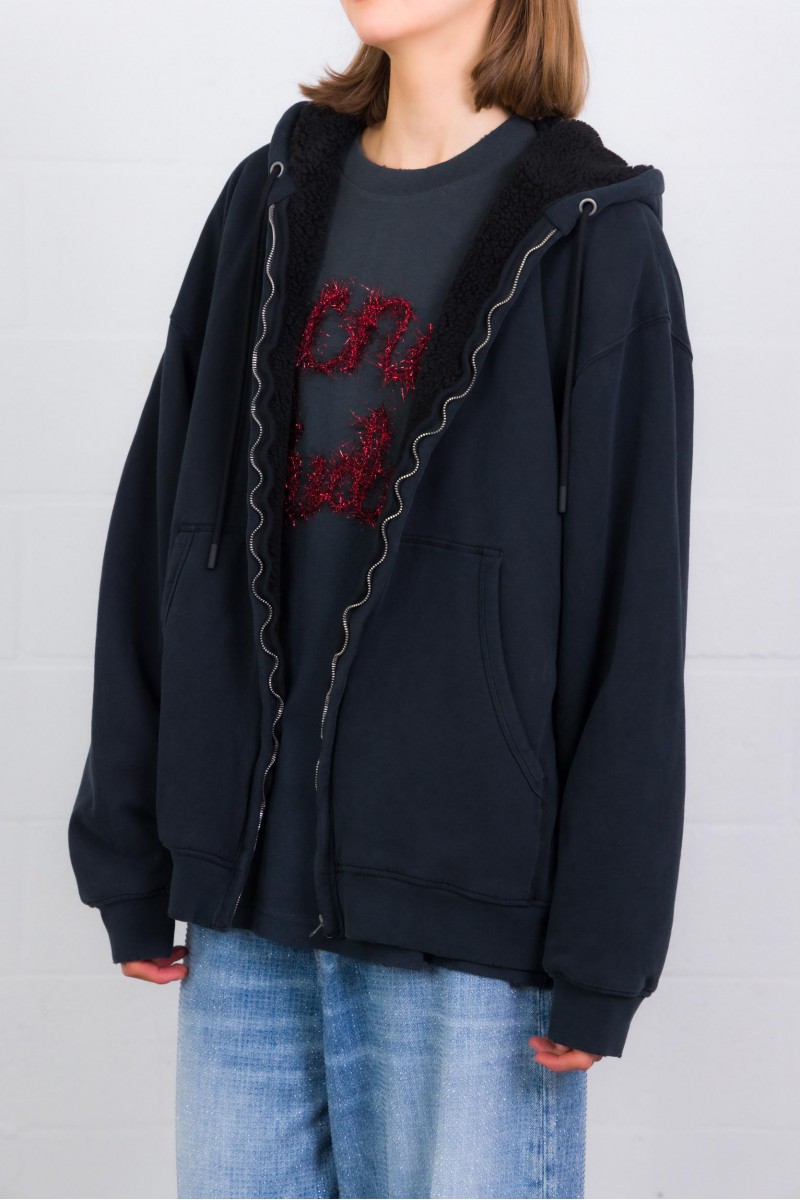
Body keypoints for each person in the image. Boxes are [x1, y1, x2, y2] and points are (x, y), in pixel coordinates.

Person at [67, 0, 694, 1196]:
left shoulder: (592, 237)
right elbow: (164, 525)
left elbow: (631, 606)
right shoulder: (267, 201)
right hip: (247, 916)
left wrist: (602, 949)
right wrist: (131, 845)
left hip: (467, 931)